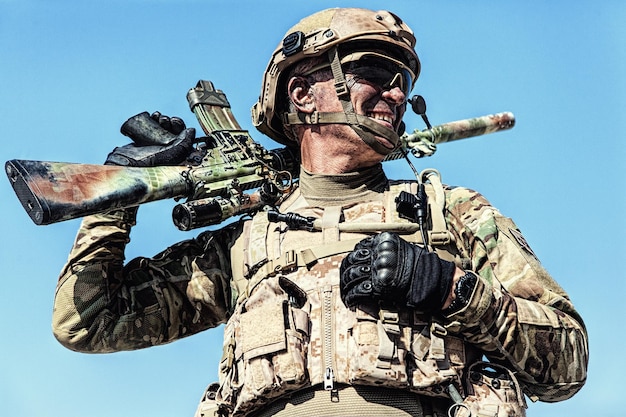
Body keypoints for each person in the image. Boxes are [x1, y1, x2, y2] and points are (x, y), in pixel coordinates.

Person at [51, 7, 588, 417]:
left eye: (405, 81)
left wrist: (448, 287)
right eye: (375, 73)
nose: (396, 93)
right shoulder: (248, 243)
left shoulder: (452, 214)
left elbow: (567, 366)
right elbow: (86, 322)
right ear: (303, 94)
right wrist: (116, 201)